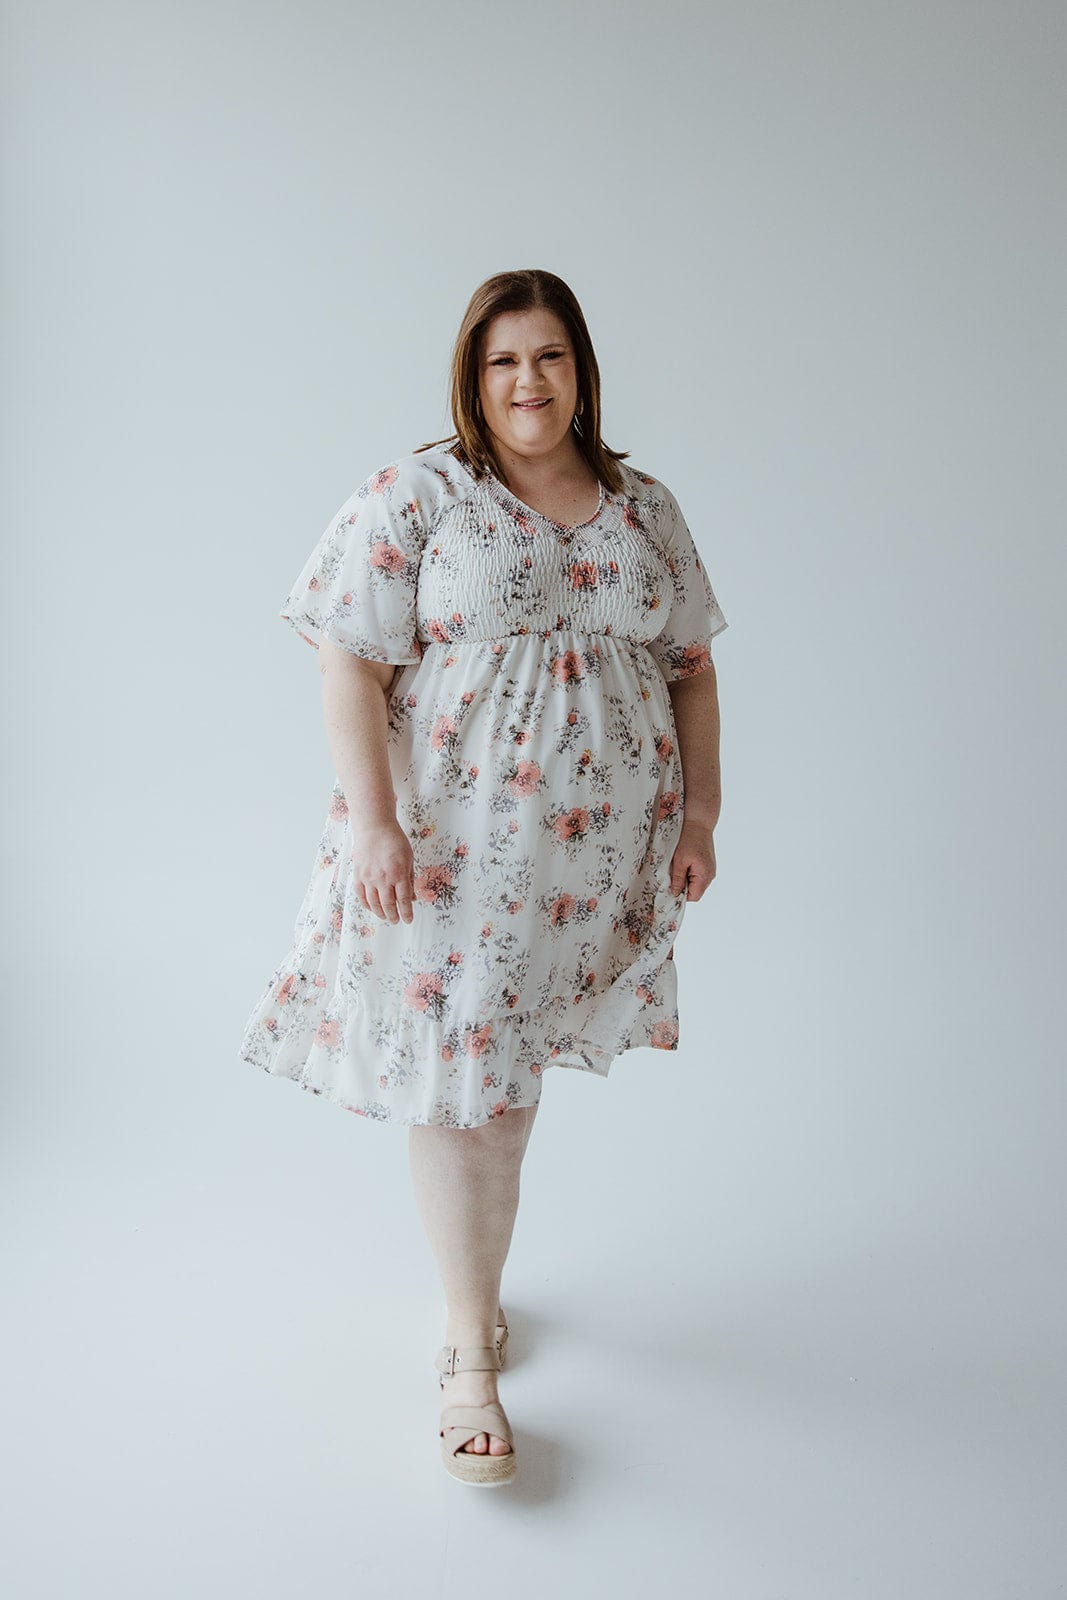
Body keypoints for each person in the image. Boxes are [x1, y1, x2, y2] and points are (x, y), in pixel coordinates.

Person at [237, 268, 729, 1486]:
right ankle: (468, 1347)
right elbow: (346, 659)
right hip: (451, 849)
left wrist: (702, 808)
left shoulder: (640, 505)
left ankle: (478, 1304)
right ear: (471, 373)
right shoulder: (421, 494)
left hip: (592, 856)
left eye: (550, 357)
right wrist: (373, 824)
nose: (528, 381)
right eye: (505, 359)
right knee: (472, 1094)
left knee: (503, 1088)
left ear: (582, 370)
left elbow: (691, 670)